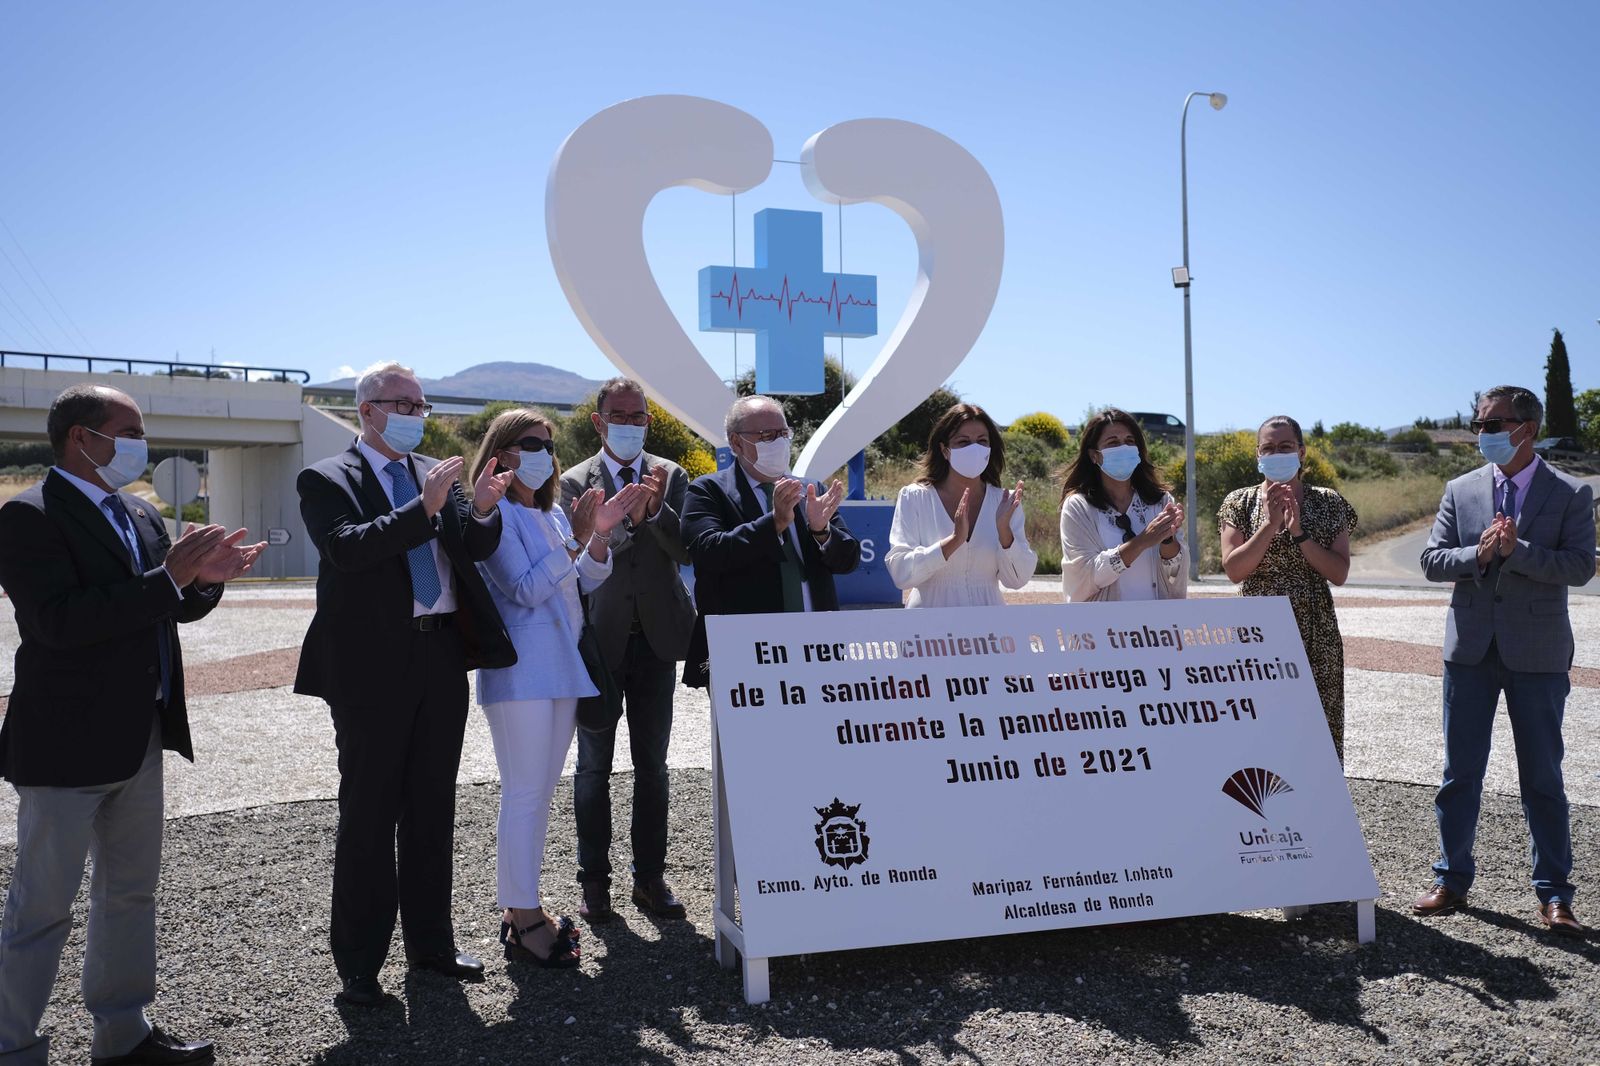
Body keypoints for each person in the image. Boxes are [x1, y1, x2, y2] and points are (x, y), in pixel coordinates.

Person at [0, 384, 263, 1066]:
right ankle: (13, 1046)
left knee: (131, 894)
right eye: (130, 429)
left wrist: (206, 581)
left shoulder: (140, 518)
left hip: (141, 736)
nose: (141, 441)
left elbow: (167, 609)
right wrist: (169, 581)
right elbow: (58, 623)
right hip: (63, 745)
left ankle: (123, 1035)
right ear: (81, 438)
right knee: (41, 910)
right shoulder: (28, 517)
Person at [294, 362, 518, 1006]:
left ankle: (431, 948)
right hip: (371, 667)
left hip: (440, 655)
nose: (417, 414)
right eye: (404, 403)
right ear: (368, 410)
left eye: (421, 404)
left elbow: (469, 550)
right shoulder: (326, 478)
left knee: (431, 808)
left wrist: (478, 510)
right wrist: (424, 511)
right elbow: (349, 548)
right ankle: (359, 966)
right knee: (369, 813)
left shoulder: (432, 474)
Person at [1413, 385, 1595, 936]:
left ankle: (1555, 895)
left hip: (1537, 654)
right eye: (1479, 424)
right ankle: (1451, 878)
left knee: (1542, 776)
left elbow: (1581, 566)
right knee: (1459, 774)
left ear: (1528, 428)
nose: (1483, 433)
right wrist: (1482, 553)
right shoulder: (1460, 490)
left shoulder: (1569, 493)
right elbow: (1431, 560)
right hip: (1469, 651)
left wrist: (1520, 553)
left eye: (1494, 424)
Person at [472, 408, 642, 966]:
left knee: (540, 795)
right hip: (520, 671)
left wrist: (596, 539)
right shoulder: (495, 515)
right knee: (523, 793)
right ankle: (521, 917)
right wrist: (579, 541)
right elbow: (522, 588)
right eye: (530, 442)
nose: (543, 451)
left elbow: (588, 578)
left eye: (547, 442)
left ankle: (525, 907)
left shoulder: (551, 514)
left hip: (563, 666)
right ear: (501, 452)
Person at [559, 378, 698, 925]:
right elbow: (576, 556)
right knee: (593, 768)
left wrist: (653, 514)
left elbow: (687, 545)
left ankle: (650, 878)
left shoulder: (673, 475)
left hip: (659, 640)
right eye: (619, 415)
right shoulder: (573, 482)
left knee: (653, 767)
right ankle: (594, 883)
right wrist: (618, 522)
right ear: (598, 421)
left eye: (638, 416)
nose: (630, 424)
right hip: (599, 639)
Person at [681, 395, 860, 688]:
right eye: (766, 435)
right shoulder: (708, 491)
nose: (777, 442)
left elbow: (849, 560)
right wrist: (773, 523)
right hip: (745, 654)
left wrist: (821, 531)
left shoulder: (811, 490)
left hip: (818, 650)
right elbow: (708, 552)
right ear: (736, 443)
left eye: (782, 433)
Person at [1219, 416, 1356, 761]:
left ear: (1302, 452)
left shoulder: (1328, 502)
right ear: (1257, 455)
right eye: (1268, 448)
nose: (1276, 454)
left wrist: (1299, 534)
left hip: (1315, 629)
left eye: (1285, 447)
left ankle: (1318, 809)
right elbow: (1235, 569)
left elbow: (1338, 573)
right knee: (1259, 729)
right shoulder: (1239, 502)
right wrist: (1269, 526)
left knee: (1317, 730)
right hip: (1256, 631)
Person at [886, 402, 1036, 606]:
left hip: (988, 627)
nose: (974, 449)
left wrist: (1005, 534)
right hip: (928, 627)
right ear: (944, 450)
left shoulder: (1006, 502)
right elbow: (901, 573)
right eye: (963, 442)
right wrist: (953, 541)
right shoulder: (915, 498)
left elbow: (1018, 579)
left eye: (982, 441)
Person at [1058, 408, 1186, 602]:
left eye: (1129, 441)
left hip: (1155, 629)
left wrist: (1167, 538)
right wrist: (1142, 541)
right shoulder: (1078, 507)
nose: (1123, 447)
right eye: (1113, 443)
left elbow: (1175, 575)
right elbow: (1085, 576)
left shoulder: (1161, 501)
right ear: (1094, 455)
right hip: (1103, 628)